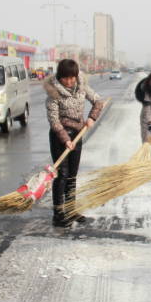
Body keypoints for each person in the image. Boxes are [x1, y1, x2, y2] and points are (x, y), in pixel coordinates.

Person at [44, 58, 106, 228]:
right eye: (66, 78)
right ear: (60, 77)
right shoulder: (53, 93)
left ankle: (71, 210)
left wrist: (92, 118)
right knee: (62, 175)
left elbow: (98, 101)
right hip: (60, 137)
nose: (70, 81)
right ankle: (58, 214)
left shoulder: (81, 87)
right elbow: (54, 121)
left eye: (72, 77)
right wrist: (65, 139)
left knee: (72, 175)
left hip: (78, 134)